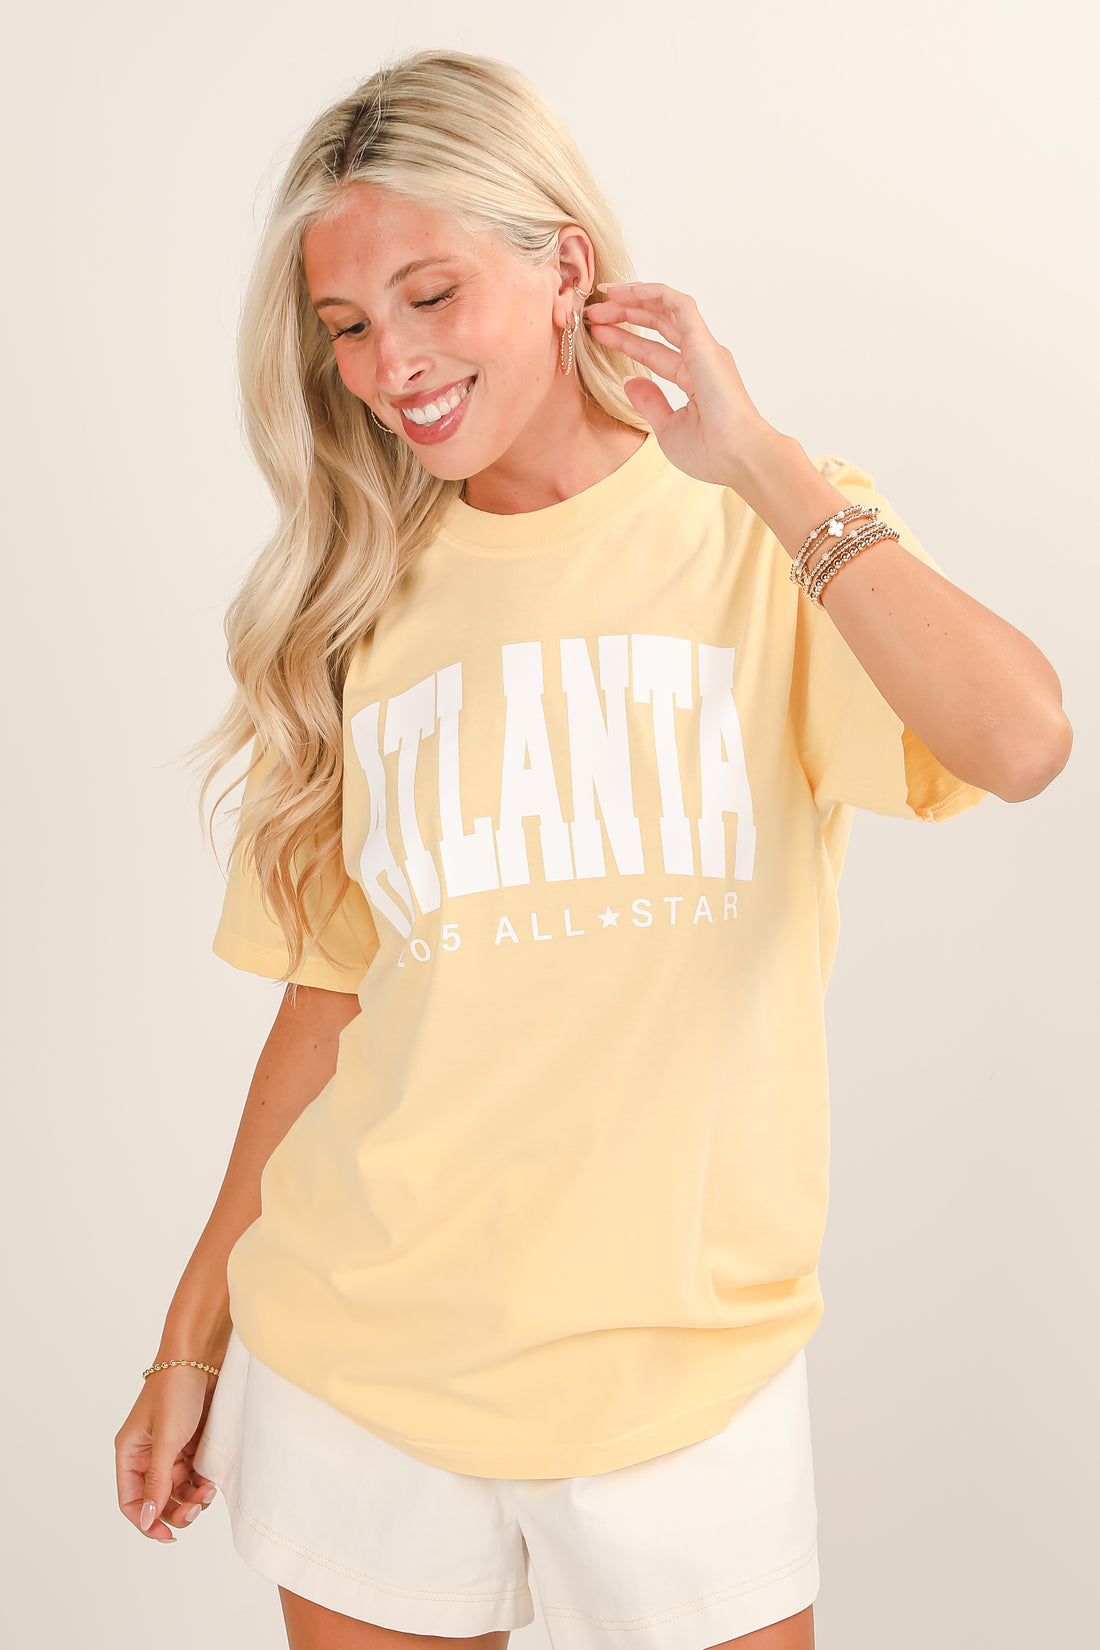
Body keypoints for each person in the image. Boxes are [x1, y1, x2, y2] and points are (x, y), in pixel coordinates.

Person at [113, 46, 1071, 1650]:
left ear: (566, 267)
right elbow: (329, 1002)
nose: (390, 364)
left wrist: (759, 460)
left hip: (684, 1374)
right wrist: (187, 1332)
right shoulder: (355, 596)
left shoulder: (768, 535)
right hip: (365, 1364)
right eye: (347, 326)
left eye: (431, 295)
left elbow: (1023, 740)